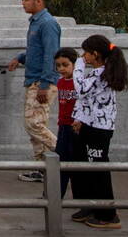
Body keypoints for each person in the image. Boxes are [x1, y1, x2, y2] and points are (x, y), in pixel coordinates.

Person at [70, 35, 128, 230]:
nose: (83, 56)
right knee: (85, 169)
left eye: (85, 52)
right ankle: (90, 206)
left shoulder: (102, 74)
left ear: (95, 54)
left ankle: (108, 215)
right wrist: (78, 118)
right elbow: (87, 101)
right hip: (88, 124)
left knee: (99, 170)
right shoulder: (97, 72)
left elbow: (80, 90)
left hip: (100, 129)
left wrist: (77, 64)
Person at [6, 0, 61, 182]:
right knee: (36, 127)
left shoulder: (48, 24)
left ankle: (65, 156)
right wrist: (20, 58)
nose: (23, 2)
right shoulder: (36, 22)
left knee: (33, 124)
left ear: (38, 1)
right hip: (34, 80)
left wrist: (45, 85)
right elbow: (36, 51)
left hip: (41, 82)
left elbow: (51, 55)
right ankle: (42, 169)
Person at [54, 47, 78, 199]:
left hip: (76, 128)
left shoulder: (79, 83)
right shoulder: (60, 82)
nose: (61, 69)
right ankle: (55, 195)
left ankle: (79, 198)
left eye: (65, 64)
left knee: (74, 165)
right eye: (58, 65)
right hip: (63, 126)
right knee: (59, 163)